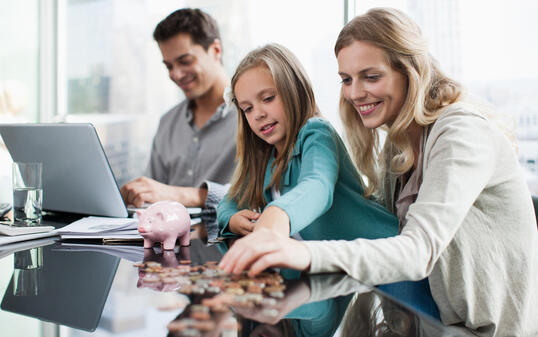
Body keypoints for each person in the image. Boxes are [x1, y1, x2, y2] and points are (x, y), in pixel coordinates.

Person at [218, 8, 538, 336]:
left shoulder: (461, 133)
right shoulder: (397, 148)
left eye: (371, 77)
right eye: (346, 79)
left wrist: (301, 251)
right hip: (430, 324)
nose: (355, 92)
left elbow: (416, 250)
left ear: (411, 71)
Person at [217, 43, 398, 247]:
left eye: (268, 99)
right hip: (338, 271)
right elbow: (229, 201)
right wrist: (231, 220)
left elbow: (317, 185)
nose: (258, 114)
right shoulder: (264, 157)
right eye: (248, 108)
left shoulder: (317, 133)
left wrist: (278, 214)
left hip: (386, 253)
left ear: (295, 91)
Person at [121, 8, 236, 211]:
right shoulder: (168, 122)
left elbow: (264, 196)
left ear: (216, 51)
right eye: (168, 66)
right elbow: (152, 194)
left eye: (185, 61)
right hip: (169, 241)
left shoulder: (254, 116)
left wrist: (183, 195)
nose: (176, 74)